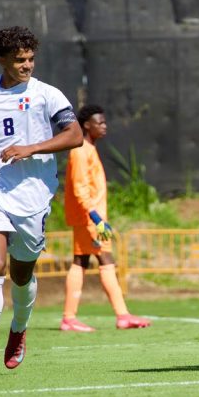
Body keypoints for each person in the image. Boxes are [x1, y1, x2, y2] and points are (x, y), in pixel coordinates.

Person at [0, 26, 83, 375]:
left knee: (21, 273)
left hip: (33, 196)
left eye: (30, 59)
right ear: (2, 60)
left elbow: (74, 135)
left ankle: (18, 329)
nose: (27, 65)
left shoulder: (48, 95)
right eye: (19, 60)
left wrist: (31, 148)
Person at [60, 104, 151, 332]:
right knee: (105, 259)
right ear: (86, 126)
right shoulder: (80, 149)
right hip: (90, 219)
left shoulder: (88, 148)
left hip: (89, 217)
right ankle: (121, 315)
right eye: (99, 123)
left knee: (81, 261)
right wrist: (95, 217)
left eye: (104, 122)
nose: (104, 126)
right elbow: (80, 188)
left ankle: (70, 317)